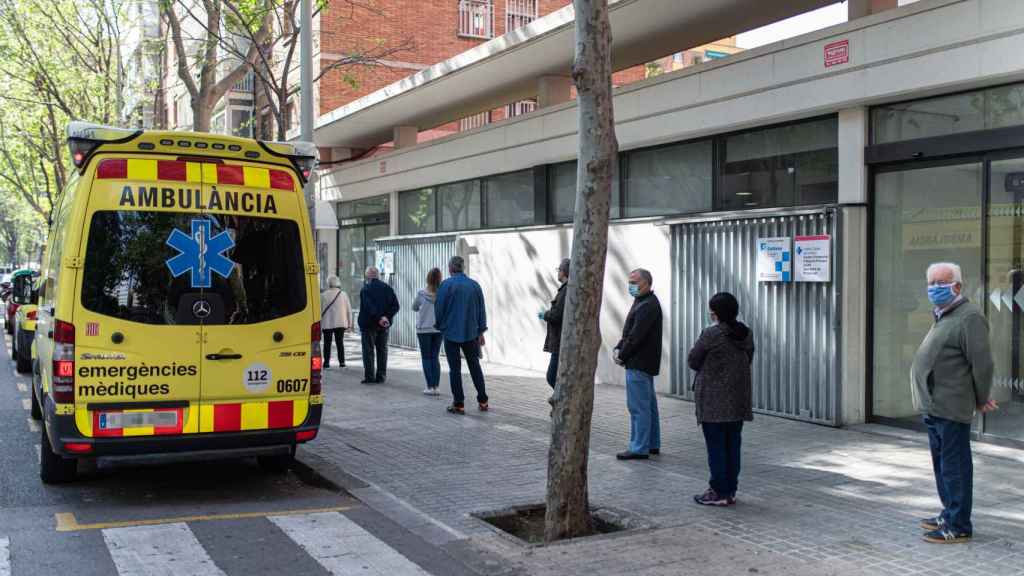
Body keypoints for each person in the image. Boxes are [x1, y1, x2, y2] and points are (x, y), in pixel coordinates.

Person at [912, 262, 996, 544]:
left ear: (957, 286)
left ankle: (959, 525)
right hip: (935, 406)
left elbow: (982, 364)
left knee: (955, 467)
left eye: (941, 283)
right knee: (942, 465)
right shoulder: (943, 314)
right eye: (931, 283)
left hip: (952, 406)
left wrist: (982, 398)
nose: (934, 288)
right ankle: (948, 513)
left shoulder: (969, 317)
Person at [687, 292, 755, 507]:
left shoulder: (711, 334)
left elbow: (693, 360)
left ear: (716, 312)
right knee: (732, 446)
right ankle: (730, 490)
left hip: (714, 402)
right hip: (737, 400)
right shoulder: (746, 333)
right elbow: (748, 358)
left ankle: (718, 491)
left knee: (716, 448)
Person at [613, 268, 663, 460]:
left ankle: (639, 447)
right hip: (643, 361)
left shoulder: (647, 305)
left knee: (638, 407)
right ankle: (651, 443)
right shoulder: (643, 301)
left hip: (639, 362)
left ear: (647, 283)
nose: (631, 285)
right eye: (630, 281)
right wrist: (619, 346)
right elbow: (629, 332)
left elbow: (635, 336)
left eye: (635, 282)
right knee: (648, 405)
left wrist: (622, 355)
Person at [434, 255, 488, 414]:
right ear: (462, 268)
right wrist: (481, 331)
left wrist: (440, 326)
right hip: (471, 333)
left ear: (450, 268)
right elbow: (481, 310)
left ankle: (459, 403)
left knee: (455, 369)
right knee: (474, 366)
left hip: (451, 333)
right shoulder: (474, 286)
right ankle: (483, 400)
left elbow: (439, 308)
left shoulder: (445, 285)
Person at [357, 266, 399, 384]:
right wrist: (386, 317)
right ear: (377, 275)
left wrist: (378, 317)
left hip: (369, 325)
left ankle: (369, 377)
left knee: (368, 351)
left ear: (368, 276)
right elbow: (396, 306)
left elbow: (369, 307)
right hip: (384, 325)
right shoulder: (387, 288)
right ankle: (381, 376)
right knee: (382, 350)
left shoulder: (365, 289)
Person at [539, 258, 570, 388]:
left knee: (551, 376)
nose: (558, 272)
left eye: (559, 270)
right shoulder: (565, 289)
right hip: (559, 341)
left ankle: (563, 402)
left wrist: (545, 314)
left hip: (559, 342)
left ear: (564, 272)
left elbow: (557, 316)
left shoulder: (565, 290)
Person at [413, 268, 443, 396]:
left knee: (426, 357)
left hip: (423, 330)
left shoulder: (421, 294)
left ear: (428, 279)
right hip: (438, 329)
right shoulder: (442, 294)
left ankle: (429, 386)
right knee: (435, 357)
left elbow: (414, 307)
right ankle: (436, 386)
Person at [320, 276, 352, 369]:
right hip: (340, 323)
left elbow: (320, 310)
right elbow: (348, 310)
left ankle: (326, 363)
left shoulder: (323, 295)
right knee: (340, 343)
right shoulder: (343, 294)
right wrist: (349, 325)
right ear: (338, 283)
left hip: (327, 323)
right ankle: (342, 363)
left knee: (327, 343)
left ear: (328, 283)